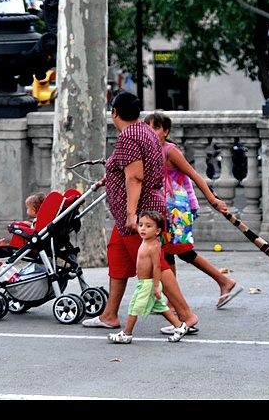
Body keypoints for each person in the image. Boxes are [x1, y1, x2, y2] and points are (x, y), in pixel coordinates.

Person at [81, 91, 199, 332]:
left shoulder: (129, 136)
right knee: (117, 255)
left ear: (114, 112)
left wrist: (131, 215)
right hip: (142, 209)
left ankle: (186, 316)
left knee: (157, 263)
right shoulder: (145, 131)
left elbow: (135, 177)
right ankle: (109, 315)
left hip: (138, 214)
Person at [145, 111, 243, 316]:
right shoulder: (151, 150)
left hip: (177, 210)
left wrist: (212, 199)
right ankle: (173, 300)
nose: (151, 132)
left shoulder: (170, 151)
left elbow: (194, 175)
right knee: (167, 252)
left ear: (166, 131)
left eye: (156, 127)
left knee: (181, 251)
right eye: (148, 127)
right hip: (163, 209)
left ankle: (224, 281)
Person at [108, 211, 188, 344]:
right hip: (145, 282)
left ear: (158, 231)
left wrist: (156, 286)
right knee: (160, 307)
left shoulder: (153, 246)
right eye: (141, 225)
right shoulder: (145, 242)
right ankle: (180, 327)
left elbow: (157, 267)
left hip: (148, 283)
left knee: (134, 306)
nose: (143, 228)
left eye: (148, 226)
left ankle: (127, 334)